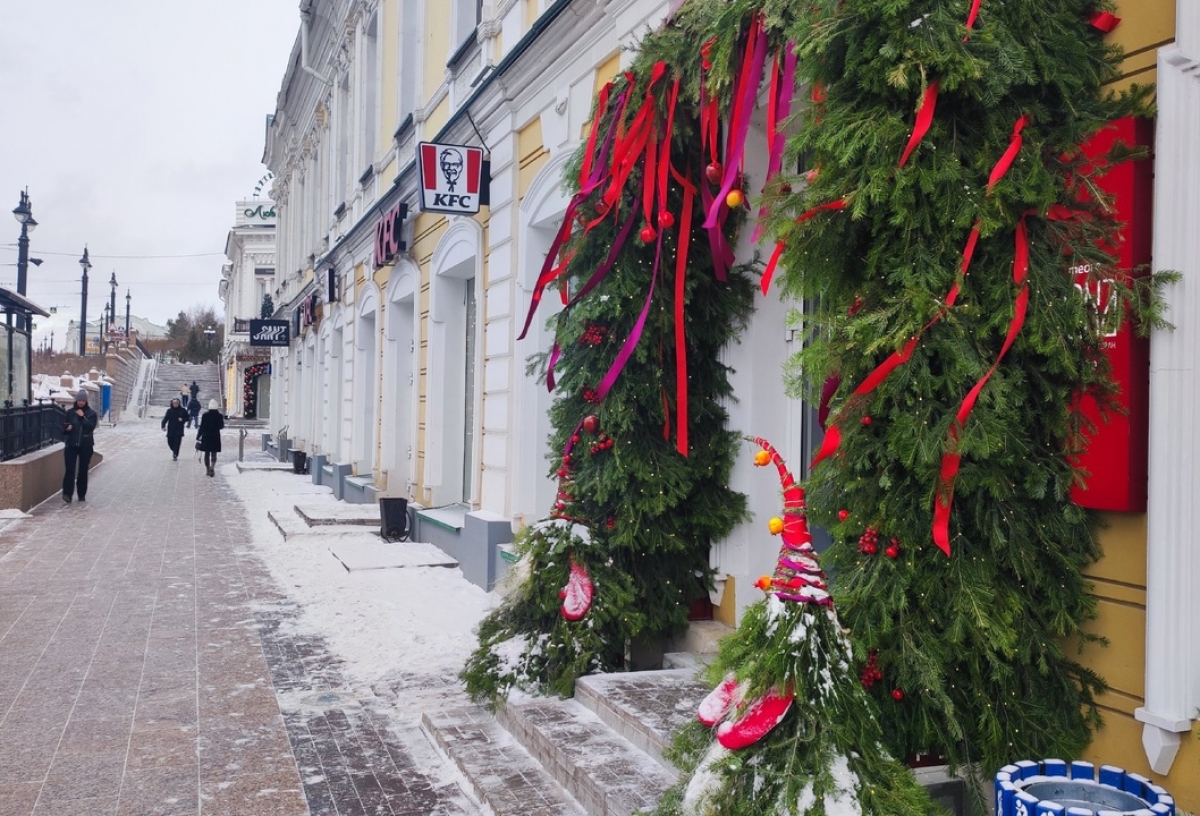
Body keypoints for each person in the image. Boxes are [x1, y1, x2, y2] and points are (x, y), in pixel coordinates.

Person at [62, 389, 98, 503]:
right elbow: (64, 428)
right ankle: (67, 494)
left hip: (85, 445)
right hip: (71, 445)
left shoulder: (91, 413)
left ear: (86, 401)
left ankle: (81, 494)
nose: (81, 402)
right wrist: (67, 429)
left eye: (83, 400)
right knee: (70, 470)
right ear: (76, 400)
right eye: (79, 400)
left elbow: (90, 427)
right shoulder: (70, 412)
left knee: (83, 470)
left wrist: (82, 417)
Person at [196, 399, 224, 477]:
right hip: (215, 436)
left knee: (206, 454)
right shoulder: (219, 416)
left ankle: (208, 469)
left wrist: (198, 436)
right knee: (214, 453)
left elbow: (201, 427)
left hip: (206, 436)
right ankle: (212, 466)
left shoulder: (205, 415)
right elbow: (221, 426)